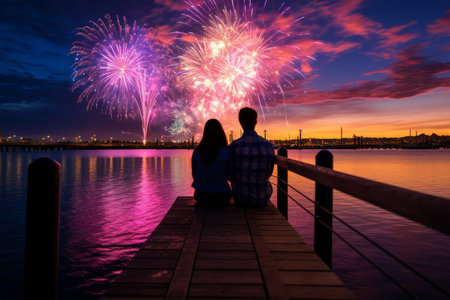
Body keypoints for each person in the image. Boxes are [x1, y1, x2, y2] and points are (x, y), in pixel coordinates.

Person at [230, 107, 275, 207]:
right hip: (263, 198)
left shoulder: (234, 146)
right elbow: (269, 173)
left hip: (240, 197)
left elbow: (230, 174)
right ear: (255, 121)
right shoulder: (268, 145)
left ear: (240, 122)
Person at [191, 119, 232, 206]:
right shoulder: (226, 151)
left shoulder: (197, 151)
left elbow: (195, 174)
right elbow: (230, 176)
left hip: (201, 195)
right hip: (222, 196)